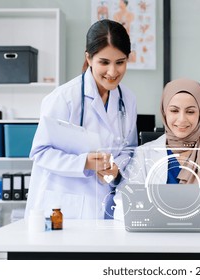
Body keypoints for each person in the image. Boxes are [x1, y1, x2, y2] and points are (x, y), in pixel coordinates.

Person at [25, 19, 138, 220]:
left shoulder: (127, 99)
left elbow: (128, 149)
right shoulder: (64, 98)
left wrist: (116, 167)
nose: (113, 72)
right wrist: (84, 162)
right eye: (104, 62)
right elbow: (40, 152)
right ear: (89, 57)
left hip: (105, 203)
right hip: (64, 206)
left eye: (120, 62)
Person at [113, 78, 200, 222]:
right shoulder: (144, 153)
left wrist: (182, 216)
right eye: (174, 110)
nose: (182, 119)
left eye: (190, 111)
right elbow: (123, 204)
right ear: (164, 111)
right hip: (157, 239)